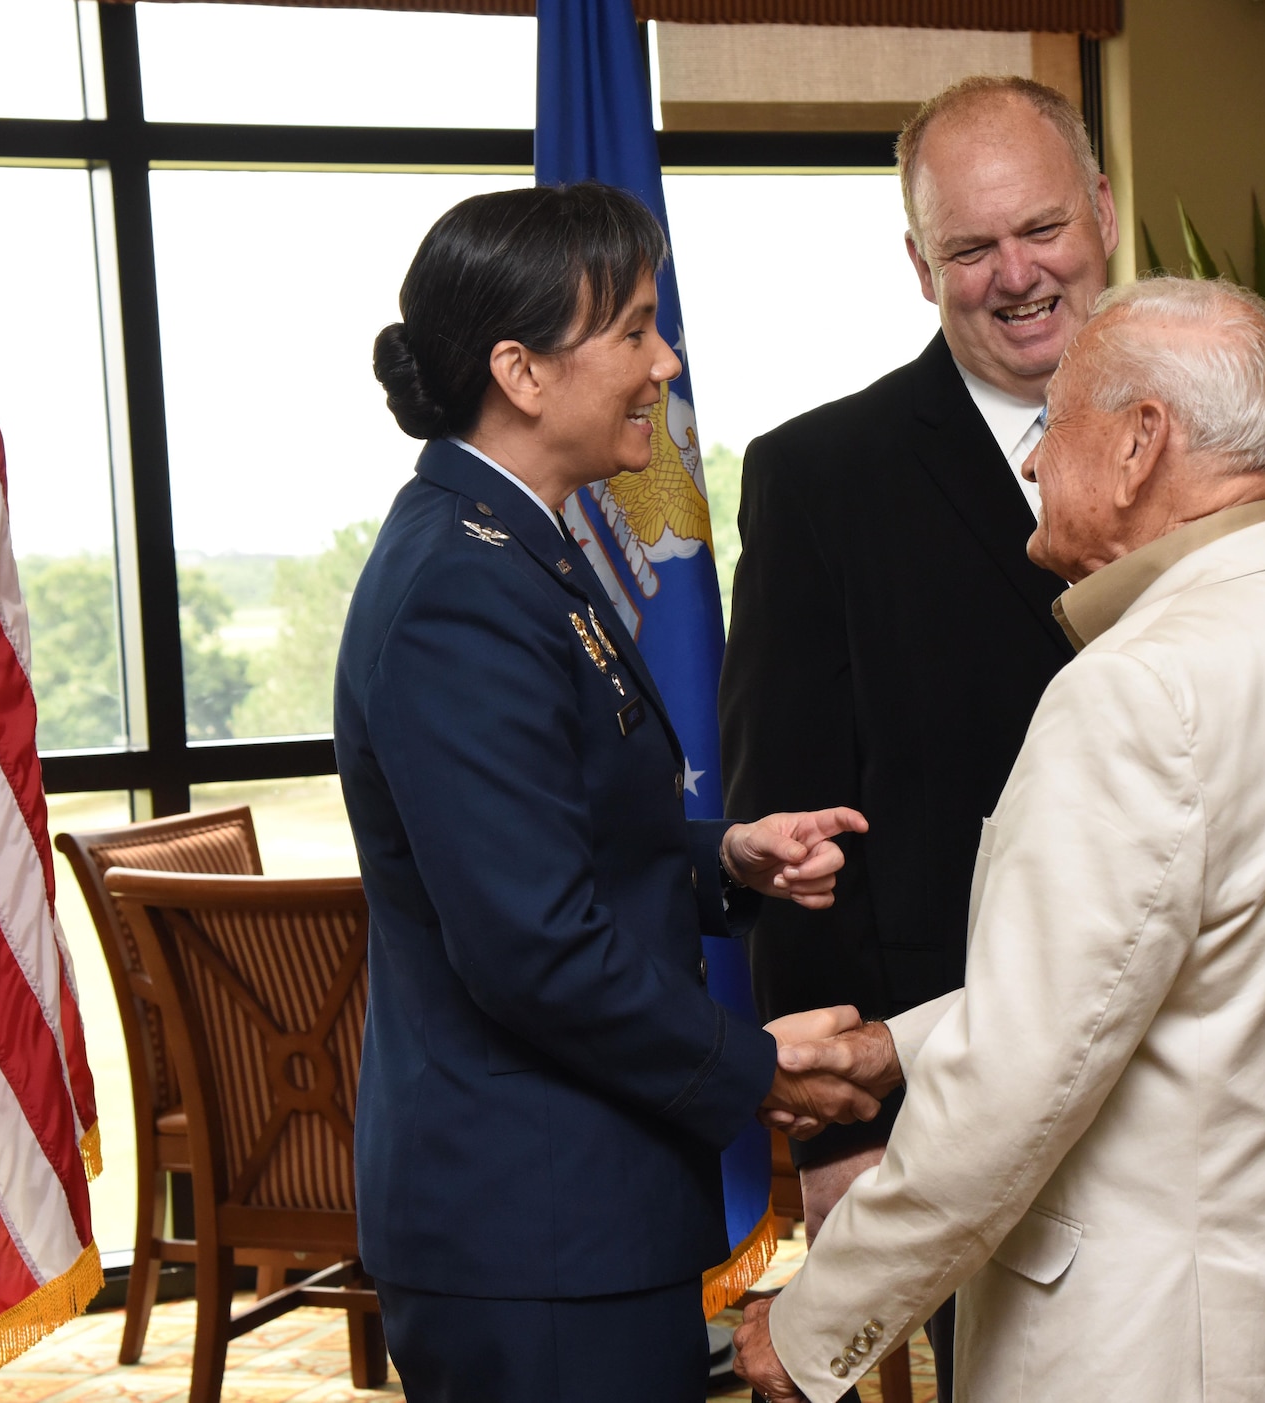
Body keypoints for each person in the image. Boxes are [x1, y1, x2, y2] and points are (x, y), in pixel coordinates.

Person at [719, 79, 1265, 1393]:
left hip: (1146, 1317)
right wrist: (876, 1061)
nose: (1031, 463)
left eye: (1056, 435)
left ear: (1139, 447)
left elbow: (1041, 1045)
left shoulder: (1141, 683)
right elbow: (1106, 966)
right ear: (921, 262)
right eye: (969, 246)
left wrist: (822, 1317)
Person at [335, 183, 881, 1403]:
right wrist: (754, 1068)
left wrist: (723, 854)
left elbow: (560, 828)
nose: (663, 360)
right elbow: (531, 943)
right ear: (521, 371)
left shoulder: (522, 540)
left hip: (573, 1201)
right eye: (633, 328)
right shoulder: (462, 590)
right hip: (529, 1220)